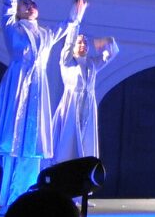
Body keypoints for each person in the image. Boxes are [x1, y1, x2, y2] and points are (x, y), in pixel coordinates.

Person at [0, 0, 88, 209]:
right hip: (18, 82)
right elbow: (8, 2)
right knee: (13, 142)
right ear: (19, 11)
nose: (29, 6)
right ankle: (10, 200)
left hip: (37, 87)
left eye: (32, 4)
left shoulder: (45, 33)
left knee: (32, 143)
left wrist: (76, 15)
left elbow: (66, 27)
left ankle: (29, 196)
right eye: (25, 4)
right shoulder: (12, 27)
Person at [50, 33, 120, 165]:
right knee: (69, 138)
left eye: (85, 43)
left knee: (85, 139)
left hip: (87, 105)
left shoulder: (91, 63)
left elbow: (111, 53)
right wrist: (74, 27)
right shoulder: (67, 61)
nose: (83, 45)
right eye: (79, 42)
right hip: (72, 104)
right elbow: (68, 45)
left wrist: (107, 40)